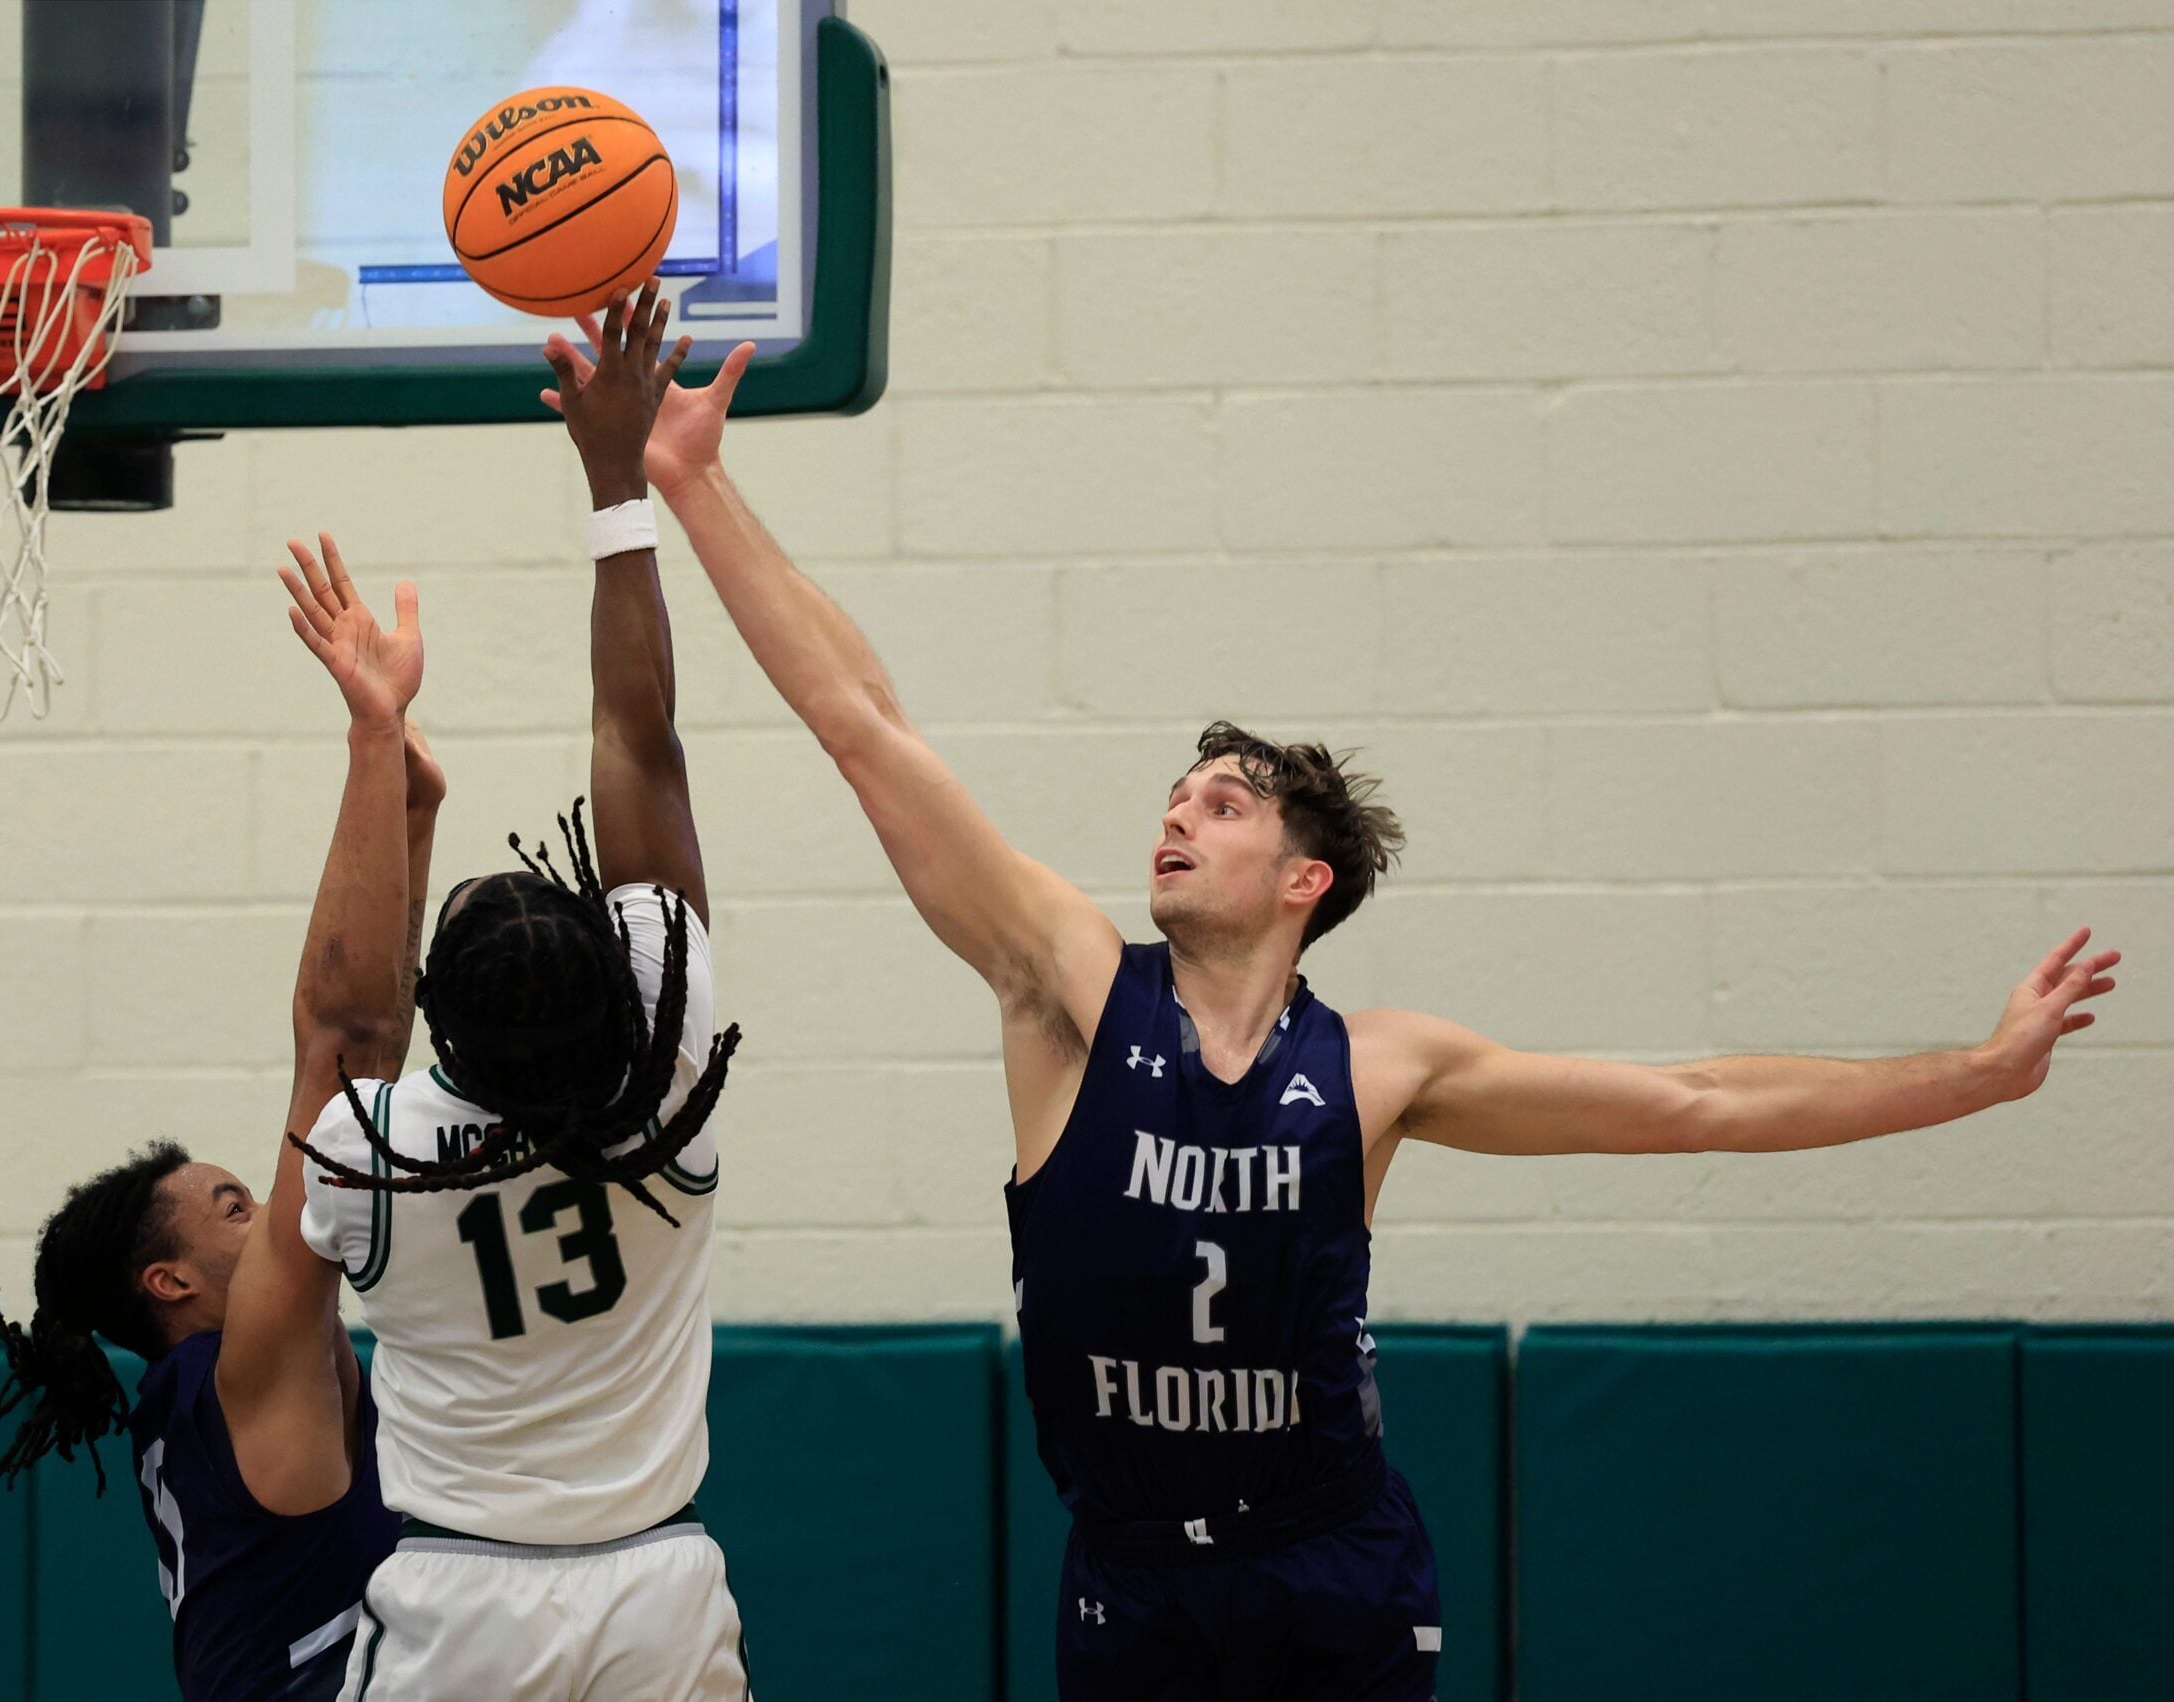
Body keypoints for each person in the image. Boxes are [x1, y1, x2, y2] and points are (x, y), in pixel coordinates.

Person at [601, 329, 2126, 1700]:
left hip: (1333, 1565)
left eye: (1223, 803)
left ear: (1304, 877)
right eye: (1173, 798)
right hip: (1135, 1572)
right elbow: (867, 730)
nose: (1176, 820)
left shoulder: (1383, 1065)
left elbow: (1697, 1100)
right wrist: (692, 484)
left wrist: (1976, 1076)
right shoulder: (1067, 984)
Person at [290, 279, 749, 1702]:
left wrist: (379, 737)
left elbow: (342, 1023)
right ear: (618, 985)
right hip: (657, 1602)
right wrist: (622, 488)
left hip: (458, 1609)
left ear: (444, 1034)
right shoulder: (669, 1067)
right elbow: (643, 744)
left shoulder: (380, 1154)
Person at [0, 542, 439, 1700]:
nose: (269, 1203)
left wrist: (407, 810)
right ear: (170, 1282)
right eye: (233, 1204)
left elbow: (361, 1079)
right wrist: (372, 743)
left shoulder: (212, 1393)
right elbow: (342, 1052)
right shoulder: (246, 1363)